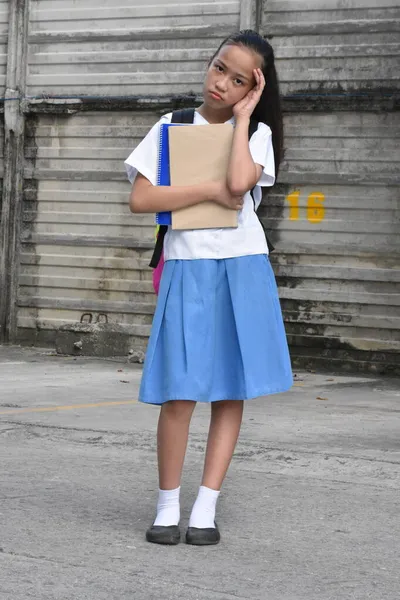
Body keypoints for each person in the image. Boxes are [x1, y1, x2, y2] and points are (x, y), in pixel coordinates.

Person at [124, 29, 292, 546]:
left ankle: (206, 507)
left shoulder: (256, 133)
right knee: (179, 393)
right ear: (210, 63)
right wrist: (209, 190)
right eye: (221, 68)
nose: (223, 83)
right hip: (187, 266)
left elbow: (241, 185)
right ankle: (167, 505)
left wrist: (243, 120)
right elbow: (141, 200)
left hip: (242, 267)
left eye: (239, 80)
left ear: (254, 89)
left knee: (230, 391)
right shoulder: (171, 127)